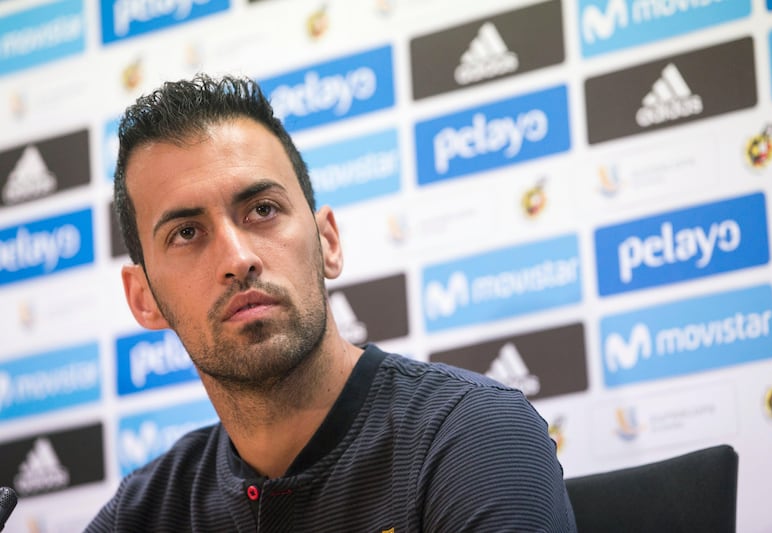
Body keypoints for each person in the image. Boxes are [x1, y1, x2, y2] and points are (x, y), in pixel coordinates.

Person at [86, 74, 577, 532]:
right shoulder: (142, 514)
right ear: (143, 298)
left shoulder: (476, 437)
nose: (238, 259)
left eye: (262, 210)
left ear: (327, 243)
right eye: (186, 233)